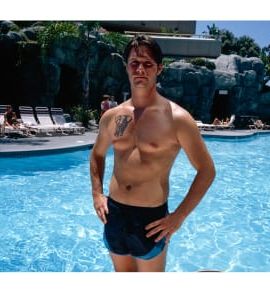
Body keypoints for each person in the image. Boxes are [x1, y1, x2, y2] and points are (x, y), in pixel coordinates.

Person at [89, 34, 216, 272]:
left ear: (159, 69)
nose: (140, 69)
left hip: (150, 220)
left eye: (147, 64)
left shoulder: (178, 119)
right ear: (126, 67)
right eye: (134, 63)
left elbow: (207, 171)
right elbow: (97, 154)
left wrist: (178, 216)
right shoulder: (112, 116)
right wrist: (97, 193)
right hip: (114, 214)